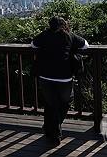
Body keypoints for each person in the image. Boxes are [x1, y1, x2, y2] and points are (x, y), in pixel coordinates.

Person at [31, 16, 89, 145]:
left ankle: (49, 129)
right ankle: (55, 134)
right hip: (64, 77)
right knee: (66, 102)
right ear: (64, 25)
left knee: (50, 104)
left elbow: (33, 44)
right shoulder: (69, 36)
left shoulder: (44, 35)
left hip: (45, 76)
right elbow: (86, 45)